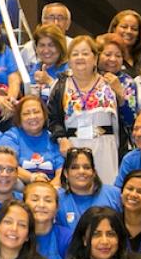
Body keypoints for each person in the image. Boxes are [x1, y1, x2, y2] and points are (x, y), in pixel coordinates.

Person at [49, 35, 120, 184]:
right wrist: (61, 139)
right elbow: (53, 118)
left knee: (106, 192)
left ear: (95, 59)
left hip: (105, 146)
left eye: (85, 53)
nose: (80, 57)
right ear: (69, 60)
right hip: (74, 145)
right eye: (75, 54)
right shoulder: (60, 85)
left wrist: (121, 95)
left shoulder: (110, 82)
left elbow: (127, 118)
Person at [55, 148, 122, 255]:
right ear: (66, 173)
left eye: (86, 167)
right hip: (73, 258)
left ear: (94, 172)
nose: (81, 171)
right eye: (75, 167)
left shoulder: (114, 194)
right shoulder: (57, 199)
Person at [0, 94, 61, 184]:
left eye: (36, 112)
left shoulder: (53, 137)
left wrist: (52, 188)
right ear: (19, 118)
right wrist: (34, 178)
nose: (32, 117)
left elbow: (61, 170)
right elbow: (8, 164)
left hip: (50, 188)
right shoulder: (11, 137)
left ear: (44, 115)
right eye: (26, 113)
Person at [96, 33, 139, 153]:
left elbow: (131, 120)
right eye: (108, 54)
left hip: (119, 143)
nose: (113, 59)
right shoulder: (88, 77)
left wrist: (120, 95)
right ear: (97, 55)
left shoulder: (128, 82)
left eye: (118, 56)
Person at [23, 180, 64, 259]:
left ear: (57, 207)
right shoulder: (15, 235)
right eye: (35, 199)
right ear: (24, 204)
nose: (41, 205)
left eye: (48, 200)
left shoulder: (66, 237)